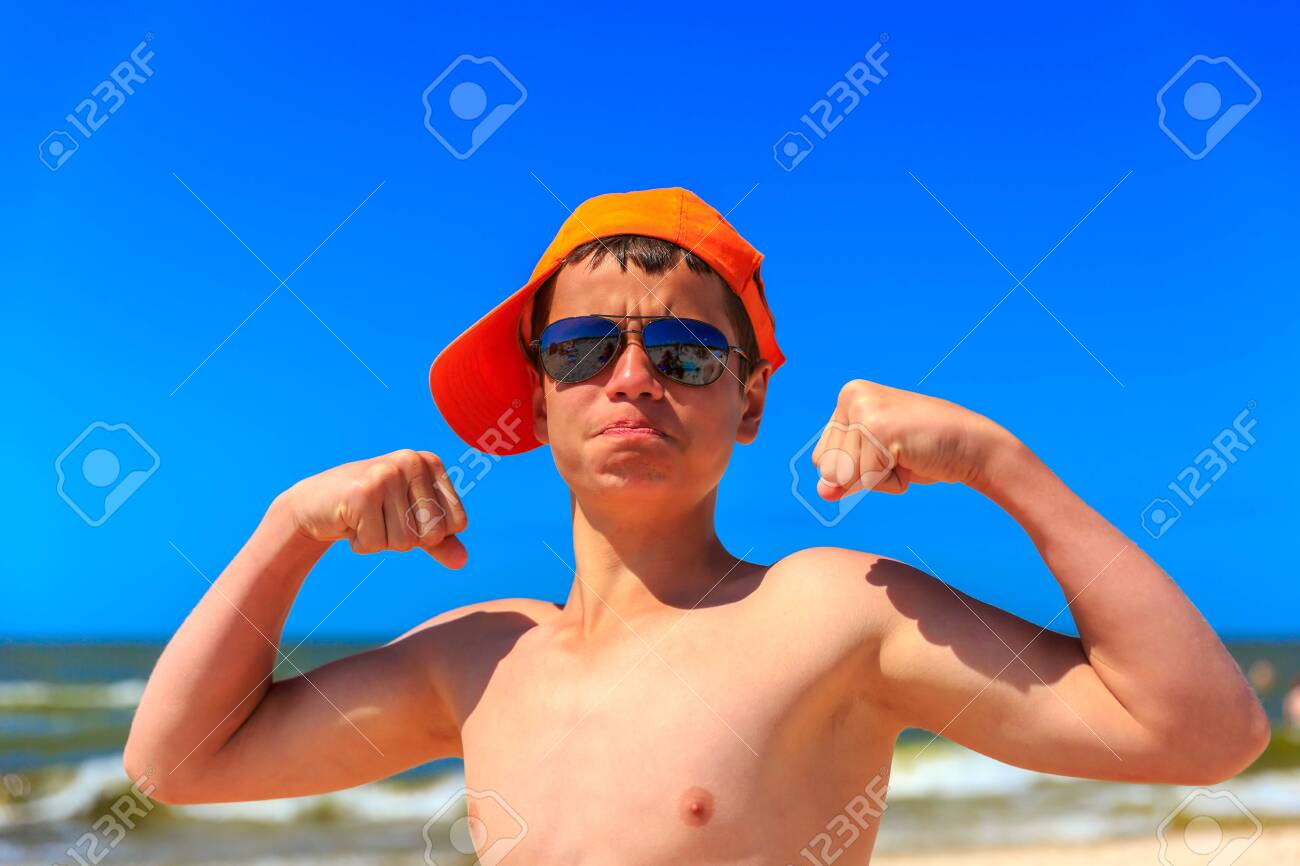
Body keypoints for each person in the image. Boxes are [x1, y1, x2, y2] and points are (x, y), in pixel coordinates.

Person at [124, 187, 1270, 864]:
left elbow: (1202, 733)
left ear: (750, 396)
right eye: (583, 349)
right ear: (535, 394)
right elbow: (175, 763)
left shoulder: (829, 612)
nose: (630, 377)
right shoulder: (482, 657)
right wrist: (287, 529)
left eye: (680, 354)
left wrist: (997, 462)